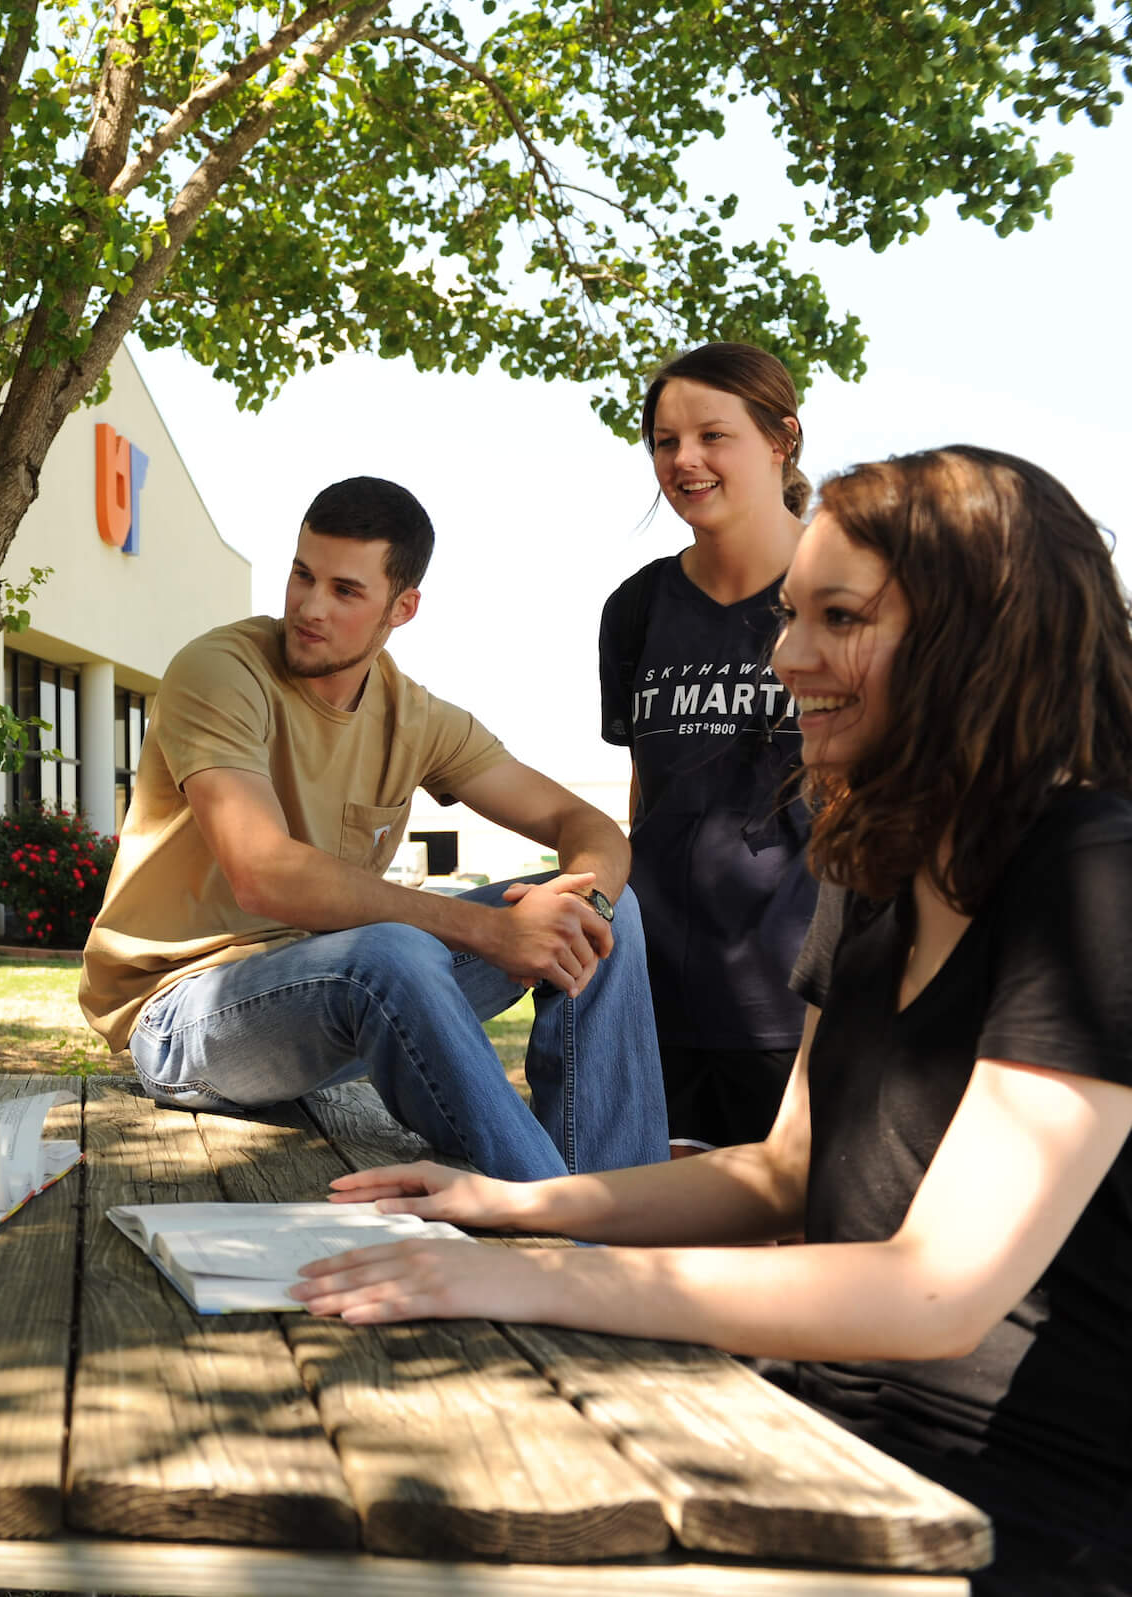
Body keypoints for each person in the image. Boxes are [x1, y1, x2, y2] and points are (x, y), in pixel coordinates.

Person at [302, 448, 1132, 1596]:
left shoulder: (1094, 876)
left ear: (983, 637)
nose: (785, 656)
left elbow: (937, 1291)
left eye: (839, 617)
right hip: (811, 1420)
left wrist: (539, 1276)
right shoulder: (878, 861)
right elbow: (782, 1172)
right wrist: (517, 1208)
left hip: (1014, 1513)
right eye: (792, 614)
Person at [80, 476, 667, 1182]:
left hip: (336, 997)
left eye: (345, 590)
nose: (308, 607)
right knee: (393, 950)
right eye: (302, 575)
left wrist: (583, 910)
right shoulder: (220, 672)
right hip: (185, 1016)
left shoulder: (412, 716)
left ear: (403, 606)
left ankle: (615, 1204)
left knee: (612, 914)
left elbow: (589, 825)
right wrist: (486, 930)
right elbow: (261, 870)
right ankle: (550, 1215)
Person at [600, 342, 819, 1152]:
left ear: (780, 439)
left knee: (800, 1259)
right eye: (664, 441)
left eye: (711, 436)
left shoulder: (857, 594)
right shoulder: (636, 608)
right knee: (656, 1258)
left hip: (804, 1011)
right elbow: (644, 799)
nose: (683, 459)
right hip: (654, 1014)